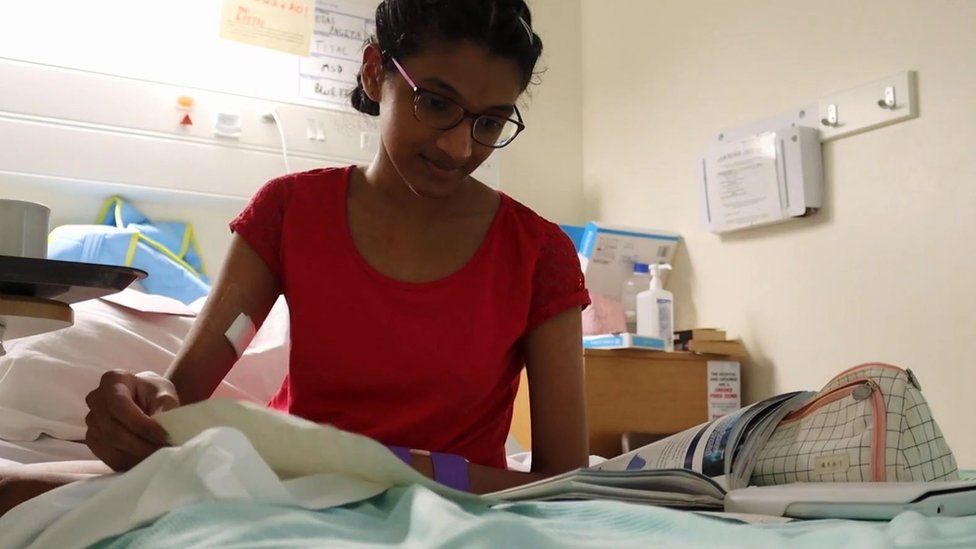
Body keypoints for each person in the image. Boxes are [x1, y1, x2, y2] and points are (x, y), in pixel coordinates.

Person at [0, 0, 589, 515]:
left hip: (460, 509)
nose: (459, 147)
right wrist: (140, 403)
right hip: (279, 487)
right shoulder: (291, 213)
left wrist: (384, 470)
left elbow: (562, 482)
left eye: (488, 123)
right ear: (375, 68)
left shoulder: (539, 256)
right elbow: (183, 392)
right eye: (435, 103)